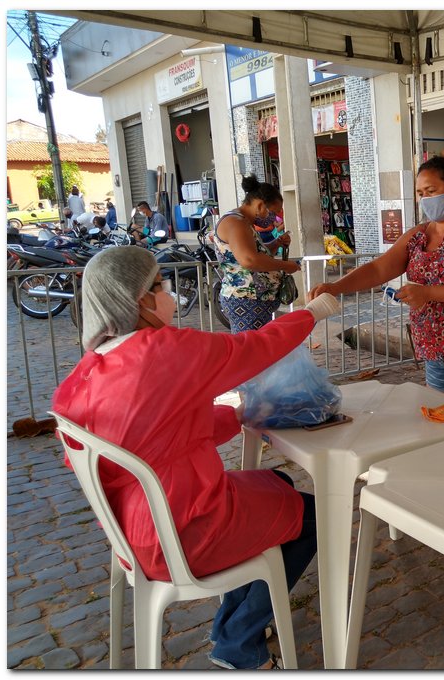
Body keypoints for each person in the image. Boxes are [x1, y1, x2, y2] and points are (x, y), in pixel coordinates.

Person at [52, 246, 342, 669]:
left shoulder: (94, 367)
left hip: (133, 532)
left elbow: (165, 432)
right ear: (140, 299)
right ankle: (240, 643)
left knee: (279, 483)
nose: (168, 293)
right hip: (184, 531)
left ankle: (232, 626)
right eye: (160, 285)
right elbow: (254, 348)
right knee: (314, 516)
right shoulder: (162, 350)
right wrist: (311, 313)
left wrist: (237, 416)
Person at [308, 156, 444, 413]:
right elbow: (379, 268)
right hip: (434, 348)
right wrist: (336, 287)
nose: (425, 198)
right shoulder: (420, 234)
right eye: (421, 193)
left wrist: (427, 293)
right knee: (441, 423)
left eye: (431, 191)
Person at [214, 176, 298, 333]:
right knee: (250, 347)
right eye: (273, 213)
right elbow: (249, 260)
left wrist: (277, 243)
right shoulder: (236, 223)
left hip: (254, 301)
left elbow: (256, 254)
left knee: (257, 346)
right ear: (260, 205)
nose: (273, 219)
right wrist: (286, 265)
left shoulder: (244, 223)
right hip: (247, 301)